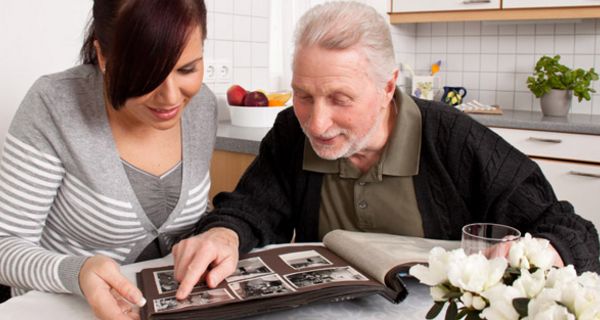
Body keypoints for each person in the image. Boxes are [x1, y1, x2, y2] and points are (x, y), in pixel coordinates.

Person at [172, 1, 600, 301]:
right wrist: (222, 234)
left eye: (340, 99)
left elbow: (572, 231)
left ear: (387, 87)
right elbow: (252, 209)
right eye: (303, 95)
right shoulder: (291, 132)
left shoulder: (454, 140)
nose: (317, 124)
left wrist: (545, 251)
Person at [0, 0, 215, 319]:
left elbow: (193, 214)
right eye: (147, 74)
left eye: (187, 69)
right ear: (103, 56)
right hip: (63, 309)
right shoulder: (55, 104)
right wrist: (77, 272)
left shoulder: (201, 106)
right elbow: (5, 246)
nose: (171, 97)